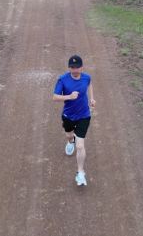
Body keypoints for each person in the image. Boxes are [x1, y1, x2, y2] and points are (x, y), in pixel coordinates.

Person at [52, 54, 96, 186]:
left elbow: (89, 84)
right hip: (68, 116)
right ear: (69, 67)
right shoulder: (62, 80)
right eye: (72, 67)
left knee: (80, 145)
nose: (74, 70)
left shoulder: (86, 77)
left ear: (81, 68)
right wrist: (69, 97)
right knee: (69, 135)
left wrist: (92, 98)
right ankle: (70, 141)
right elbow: (54, 97)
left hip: (84, 115)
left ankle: (80, 173)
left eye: (77, 67)